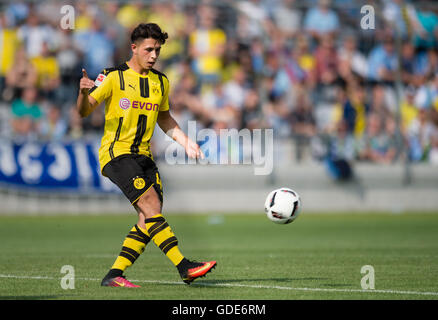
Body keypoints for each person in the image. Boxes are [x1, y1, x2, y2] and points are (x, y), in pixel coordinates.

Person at [76, 23, 216, 288]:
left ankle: (114, 274)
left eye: (158, 50)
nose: (154, 55)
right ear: (134, 48)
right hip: (117, 154)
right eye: (149, 49)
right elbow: (83, 111)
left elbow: (164, 117)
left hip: (144, 157)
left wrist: (186, 141)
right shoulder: (113, 77)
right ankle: (184, 266)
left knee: (148, 217)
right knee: (151, 205)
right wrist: (83, 93)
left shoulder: (160, 82)